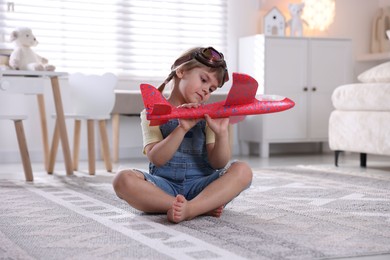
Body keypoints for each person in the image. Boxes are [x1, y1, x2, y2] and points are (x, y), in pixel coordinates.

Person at [113, 46, 253, 223]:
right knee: (122, 180)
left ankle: (193, 207)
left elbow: (218, 163)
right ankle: (196, 206)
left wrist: (222, 134)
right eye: (203, 80)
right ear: (181, 71)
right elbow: (157, 159)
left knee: (243, 170)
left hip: (202, 186)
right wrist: (182, 128)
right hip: (164, 187)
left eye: (211, 89)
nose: (205, 91)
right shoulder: (152, 112)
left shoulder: (208, 116)